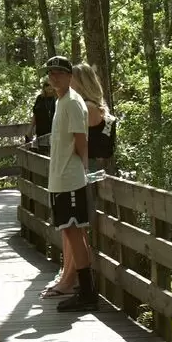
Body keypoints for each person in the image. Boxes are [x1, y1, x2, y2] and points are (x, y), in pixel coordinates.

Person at [42, 62, 114, 300]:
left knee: (75, 230)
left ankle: (78, 285)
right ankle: (69, 279)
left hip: (77, 175)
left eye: (65, 76)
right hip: (71, 174)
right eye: (52, 74)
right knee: (70, 230)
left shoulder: (84, 106)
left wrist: (82, 166)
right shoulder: (68, 102)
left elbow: (81, 142)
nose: (56, 79)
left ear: (77, 80)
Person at [28, 79, 56, 154]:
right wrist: (30, 129)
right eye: (47, 85)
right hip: (41, 133)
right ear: (44, 87)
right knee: (42, 155)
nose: (49, 87)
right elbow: (35, 115)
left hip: (54, 133)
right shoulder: (40, 98)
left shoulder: (58, 98)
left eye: (51, 85)